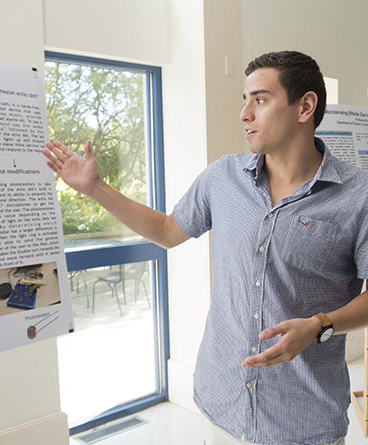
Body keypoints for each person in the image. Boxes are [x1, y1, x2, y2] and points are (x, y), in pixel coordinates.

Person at [43, 51, 368, 445]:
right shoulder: (222, 177)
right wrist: (96, 188)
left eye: (260, 100)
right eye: (244, 100)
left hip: (304, 420)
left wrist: (320, 326)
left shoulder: (359, 195)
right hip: (222, 403)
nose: (245, 113)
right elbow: (166, 230)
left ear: (306, 106)